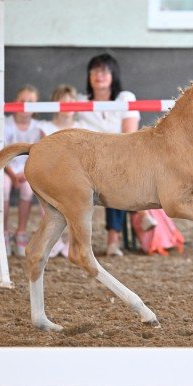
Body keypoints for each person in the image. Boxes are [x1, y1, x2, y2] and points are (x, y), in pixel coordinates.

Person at [77, 53, 156, 256]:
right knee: (112, 175)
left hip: (124, 155)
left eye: (104, 70)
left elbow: (129, 137)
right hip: (92, 161)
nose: (98, 75)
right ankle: (140, 213)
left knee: (116, 174)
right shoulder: (79, 102)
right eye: (94, 70)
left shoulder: (125, 98)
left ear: (113, 74)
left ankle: (114, 237)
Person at [36, 84, 83, 258]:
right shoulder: (45, 127)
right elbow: (43, 159)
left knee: (78, 199)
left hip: (76, 178)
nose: (68, 104)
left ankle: (73, 240)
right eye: (63, 101)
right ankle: (53, 239)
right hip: (52, 176)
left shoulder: (81, 126)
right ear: (55, 104)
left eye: (72, 101)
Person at [3, 84, 43, 257]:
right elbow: (1, 153)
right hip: (6, 169)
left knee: (27, 190)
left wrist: (26, 174)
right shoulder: (5, 124)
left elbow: (40, 154)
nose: (25, 105)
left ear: (36, 107)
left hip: (27, 171)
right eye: (22, 100)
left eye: (30, 102)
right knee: (2, 188)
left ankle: (21, 231)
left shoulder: (38, 128)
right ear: (14, 102)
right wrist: (11, 174)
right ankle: (3, 232)